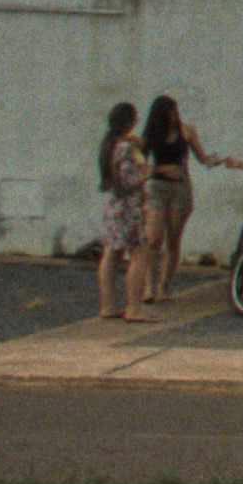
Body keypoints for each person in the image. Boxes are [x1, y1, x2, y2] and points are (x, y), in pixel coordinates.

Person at [135, 92, 215, 307]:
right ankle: (149, 286)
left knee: (173, 238)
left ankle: (164, 285)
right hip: (157, 188)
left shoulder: (186, 131)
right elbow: (139, 162)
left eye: (175, 111)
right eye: (170, 113)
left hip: (180, 188)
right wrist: (160, 170)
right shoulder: (150, 135)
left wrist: (213, 160)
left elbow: (202, 157)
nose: (174, 116)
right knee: (153, 238)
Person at [93, 101, 150, 324]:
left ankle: (108, 305)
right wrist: (146, 173)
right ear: (130, 122)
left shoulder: (109, 145)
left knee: (111, 253)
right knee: (139, 253)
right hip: (129, 206)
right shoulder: (126, 148)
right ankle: (134, 307)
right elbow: (129, 180)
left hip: (114, 205)